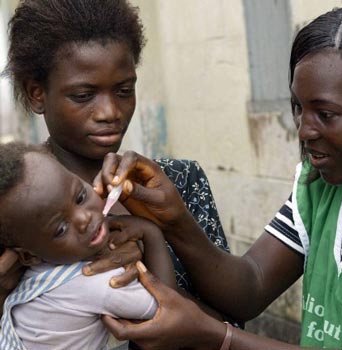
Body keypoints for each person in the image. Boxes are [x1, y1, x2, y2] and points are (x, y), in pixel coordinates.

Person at [92, 1, 342, 349]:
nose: (304, 130)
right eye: (298, 107)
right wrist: (173, 219)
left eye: (325, 114)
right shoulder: (321, 183)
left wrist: (217, 336)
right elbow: (250, 286)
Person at [0, 0, 233, 325]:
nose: (110, 112)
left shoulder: (178, 182)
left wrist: (151, 260)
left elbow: (230, 322)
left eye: (124, 90)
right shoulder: (13, 212)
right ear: (37, 94)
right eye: (83, 96)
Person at [0, 141, 177, 349]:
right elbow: (170, 314)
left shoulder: (35, 273)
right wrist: (152, 234)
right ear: (29, 257)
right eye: (61, 229)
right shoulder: (98, 282)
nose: (84, 219)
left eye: (81, 196)